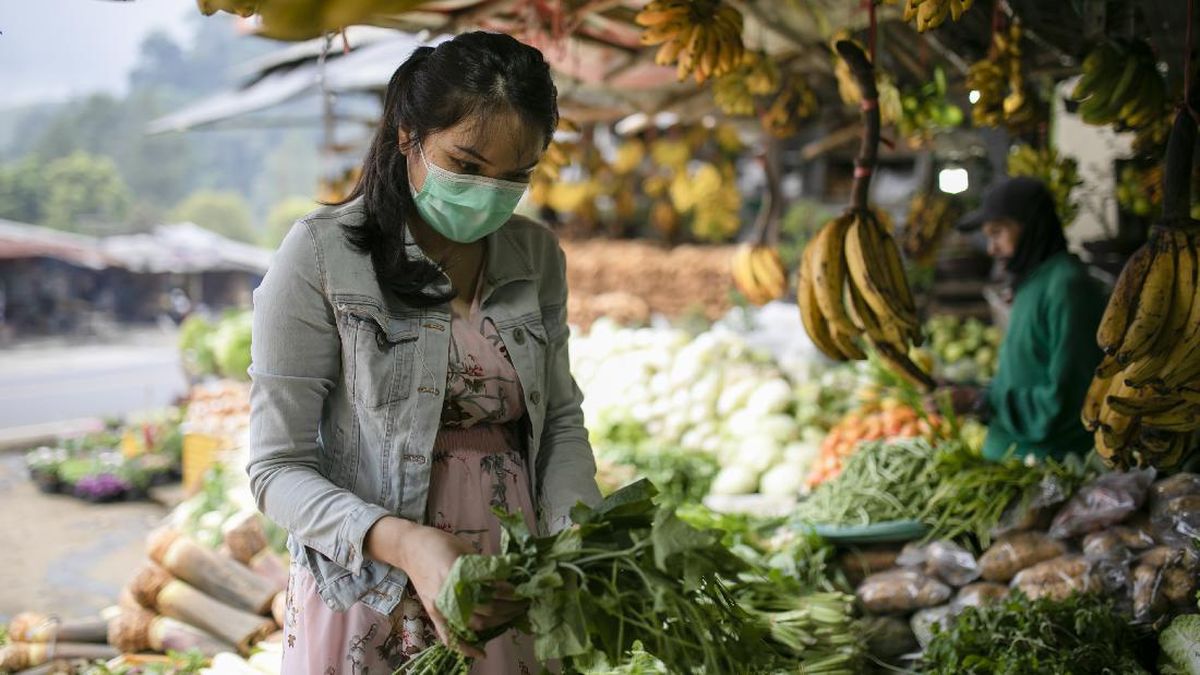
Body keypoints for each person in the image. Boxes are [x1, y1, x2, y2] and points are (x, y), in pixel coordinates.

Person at [248, 32, 601, 674]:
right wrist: (406, 544)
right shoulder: (322, 255)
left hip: (506, 587)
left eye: (515, 176)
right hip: (369, 591)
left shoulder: (536, 256)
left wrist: (577, 529)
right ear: (408, 135)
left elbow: (558, 422)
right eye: (466, 165)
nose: (489, 193)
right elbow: (276, 469)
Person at [931, 176, 1107, 462]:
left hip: (1051, 464)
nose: (991, 249)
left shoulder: (1067, 287)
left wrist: (982, 401)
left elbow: (1070, 399)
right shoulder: (1032, 282)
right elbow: (1026, 374)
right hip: (1014, 456)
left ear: (1033, 226)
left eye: (998, 233)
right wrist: (974, 391)